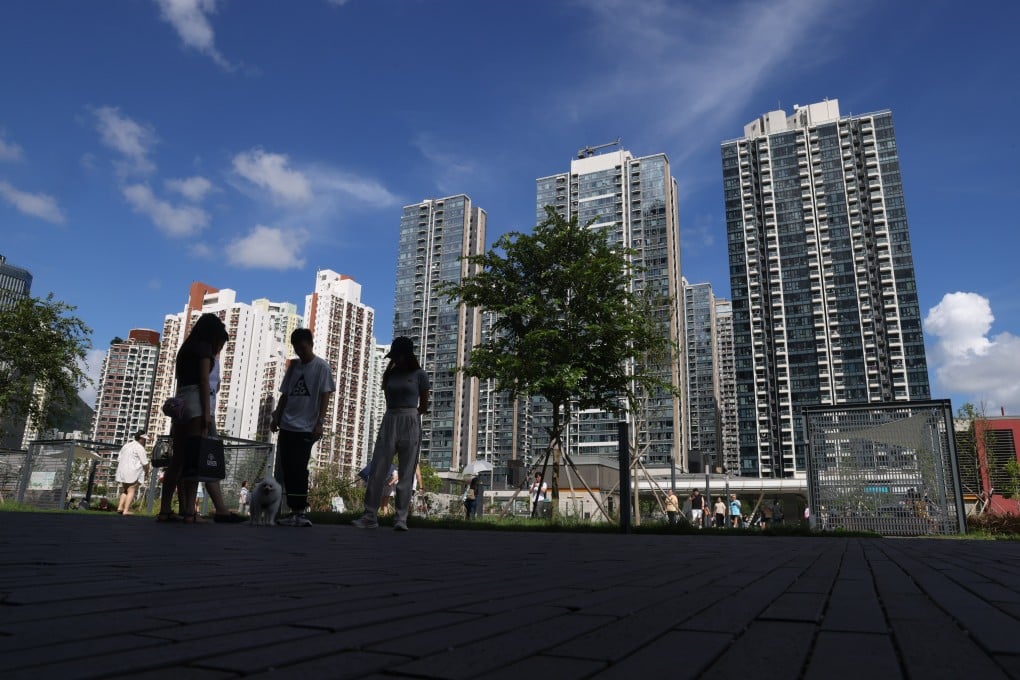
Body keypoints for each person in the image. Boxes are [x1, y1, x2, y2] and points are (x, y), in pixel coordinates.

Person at [157, 313, 242, 524]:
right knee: (195, 459)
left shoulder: (185, 350)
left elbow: (182, 382)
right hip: (196, 405)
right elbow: (204, 381)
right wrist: (206, 414)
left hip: (181, 404)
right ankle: (189, 512)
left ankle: (165, 510)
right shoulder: (204, 350)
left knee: (177, 461)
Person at [353, 336, 430, 532]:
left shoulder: (419, 374)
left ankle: (401, 518)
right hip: (390, 418)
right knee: (379, 467)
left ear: (407, 355)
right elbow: (388, 398)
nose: (395, 359)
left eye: (398, 355)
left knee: (406, 472)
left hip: (410, 417)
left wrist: (411, 416)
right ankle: (370, 515)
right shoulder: (390, 374)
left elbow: (424, 403)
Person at [271, 328, 336, 527]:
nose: (300, 352)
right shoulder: (294, 367)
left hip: (306, 427)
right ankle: (292, 510)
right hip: (287, 425)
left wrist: (320, 422)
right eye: (297, 349)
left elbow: (325, 395)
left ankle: (300, 511)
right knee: (287, 468)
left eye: (303, 348)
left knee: (300, 468)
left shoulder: (322, 367)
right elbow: (285, 394)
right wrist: (277, 417)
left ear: (311, 344)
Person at [115, 430, 150, 515]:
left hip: (122, 470)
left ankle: (120, 507)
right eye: (144, 439)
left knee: (125, 490)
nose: (145, 441)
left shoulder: (126, 445)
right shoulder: (140, 448)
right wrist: (147, 472)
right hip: (133, 471)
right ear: (141, 439)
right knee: (132, 490)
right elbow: (145, 462)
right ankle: (126, 510)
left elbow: (119, 458)